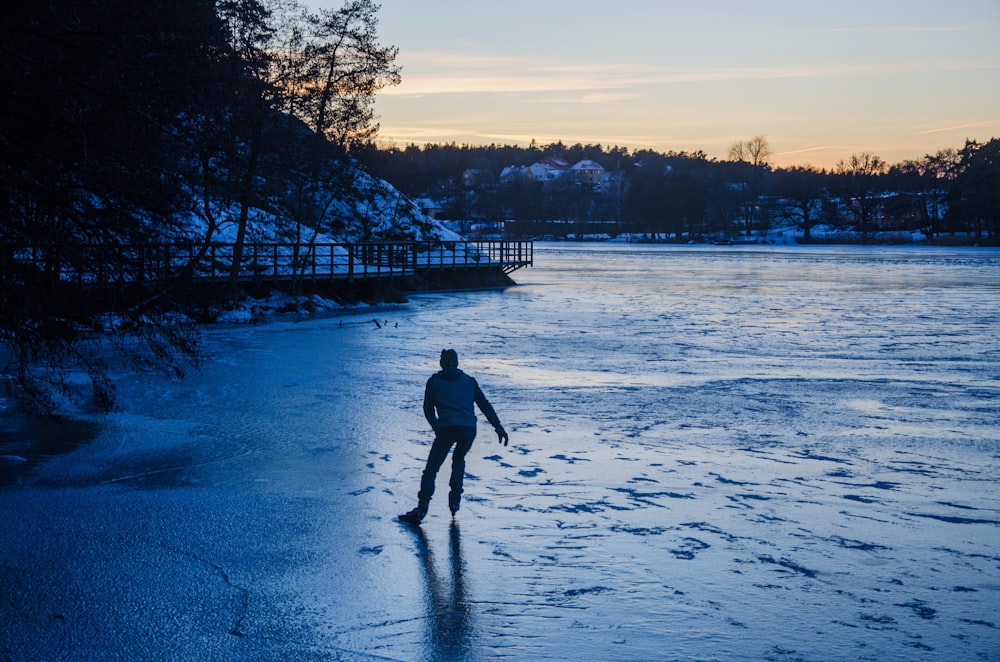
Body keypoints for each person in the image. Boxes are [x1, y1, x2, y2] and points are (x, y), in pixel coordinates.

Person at [399, 349, 508, 524]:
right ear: (457, 363)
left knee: (432, 469)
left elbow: (428, 410)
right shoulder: (469, 381)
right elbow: (484, 405)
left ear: (442, 363)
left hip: (447, 428)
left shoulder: (434, 382)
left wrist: (437, 427)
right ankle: (455, 501)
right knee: (459, 459)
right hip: (468, 429)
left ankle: (422, 508)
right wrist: (498, 427)